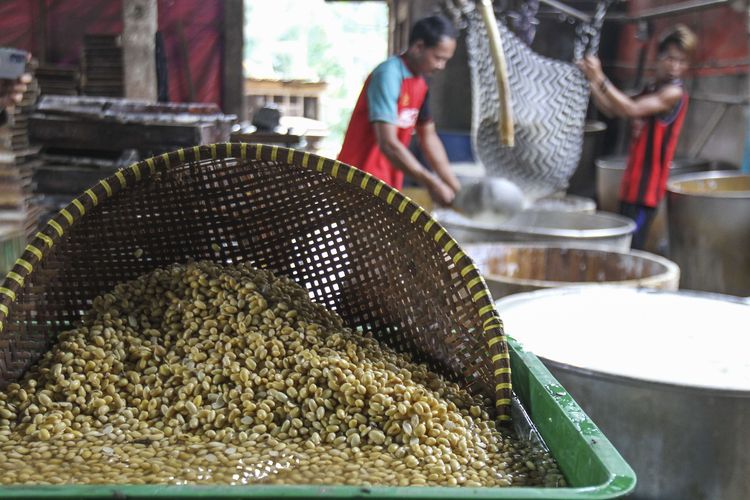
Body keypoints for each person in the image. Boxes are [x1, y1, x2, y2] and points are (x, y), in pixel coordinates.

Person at [578, 25, 697, 249]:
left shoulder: (673, 93)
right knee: (624, 246)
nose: (675, 67)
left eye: (681, 62)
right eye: (670, 59)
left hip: (646, 193)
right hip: (631, 187)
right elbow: (615, 109)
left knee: (632, 248)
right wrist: (591, 82)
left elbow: (631, 108)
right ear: (658, 58)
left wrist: (600, 77)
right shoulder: (651, 90)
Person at [338, 15, 461, 206]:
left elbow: (429, 137)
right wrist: (432, 182)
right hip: (360, 177)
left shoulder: (420, 83)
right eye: (438, 58)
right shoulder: (389, 75)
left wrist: (456, 189)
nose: (441, 66)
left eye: (445, 60)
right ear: (418, 47)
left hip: (388, 179)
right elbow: (388, 143)